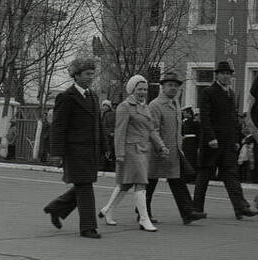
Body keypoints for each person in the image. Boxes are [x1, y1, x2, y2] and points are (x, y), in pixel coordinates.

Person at [98, 74, 170, 231]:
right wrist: (119, 154)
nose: (143, 92)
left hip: (144, 151)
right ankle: (144, 219)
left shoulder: (145, 107)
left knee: (125, 184)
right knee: (141, 182)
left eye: (145, 89)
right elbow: (119, 131)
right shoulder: (125, 106)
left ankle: (108, 210)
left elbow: (151, 130)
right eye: (139, 89)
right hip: (131, 151)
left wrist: (161, 146)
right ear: (132, 89)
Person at [43, 58, 105, 239]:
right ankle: (88, 228)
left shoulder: (93, 96)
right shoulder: (66, 97)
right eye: (87, 74)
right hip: (75, 151)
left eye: (92, 74)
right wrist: (56, 153)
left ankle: (56, 208)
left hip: (91, 150)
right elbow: (59, 127)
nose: (91, 78)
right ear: (76, 76)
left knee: (82, 185)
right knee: (85, 187)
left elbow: (98, 125)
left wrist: (105, 146)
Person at [193, 60, 258, 219]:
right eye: (223, 74)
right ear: (216, 75)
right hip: (212, 143)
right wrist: (210, 137)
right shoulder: (208, 92)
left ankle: (241, 207)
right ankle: (195, 209)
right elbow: (205, 116)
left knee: (231, 176)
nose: (226, 77)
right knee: (204, 176)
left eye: (228, 74)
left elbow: (233, 119)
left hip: (228, 144)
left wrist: (236, 139)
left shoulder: (230, 93)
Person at [144, 70, 206, 226]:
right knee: (150, 184)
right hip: (157, 153)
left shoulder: (176, 104)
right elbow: (153, 130)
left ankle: (188, 212)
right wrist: (161, 147)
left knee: (178, 181)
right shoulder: (155, 105)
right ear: (162, 87)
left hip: (174, 151)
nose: (173, 88)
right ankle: (143, 214)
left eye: (175, 86)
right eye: (169, 85)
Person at [180, 106, 199, 183]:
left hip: (192, 143)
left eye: (185, 113)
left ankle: (191, 178)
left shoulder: (194, 122)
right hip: (186, 143)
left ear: (189, 113)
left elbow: (198, 134)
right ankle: (187, 177)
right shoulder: (184, 121)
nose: (184, 114)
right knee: (187, 160)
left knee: (192, 160)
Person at [100, 99, 117, 172]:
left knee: (109, 152)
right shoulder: (105, 114)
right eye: (103, 106)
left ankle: (109, 167)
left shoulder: (108, 114)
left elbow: (105, 126)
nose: (104, 107)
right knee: (110, 152)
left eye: (106, 106)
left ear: (109, 107)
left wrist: (110, 133)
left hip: (108, 137)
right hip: (109, 136)